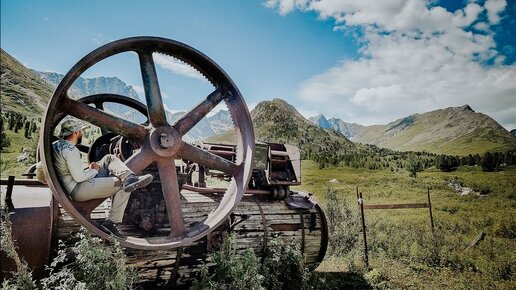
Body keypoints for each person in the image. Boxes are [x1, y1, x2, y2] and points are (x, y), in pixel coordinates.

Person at [53, 119, 153, 239]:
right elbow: (79, 178)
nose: (82, 134)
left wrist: (91, 169)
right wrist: (94, 170)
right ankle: (111, 223)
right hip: (78, 189)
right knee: (123, 185)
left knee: (108, 159)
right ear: (75, 133)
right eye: (81, 132)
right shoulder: (71, 150)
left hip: (73, 186)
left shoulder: (56, 146)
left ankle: (128, 177)